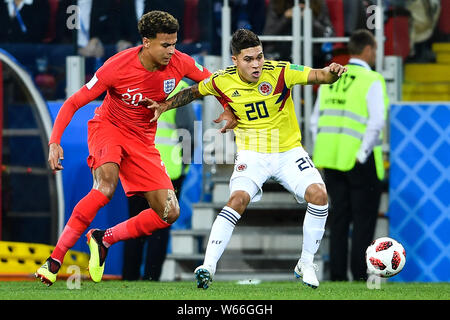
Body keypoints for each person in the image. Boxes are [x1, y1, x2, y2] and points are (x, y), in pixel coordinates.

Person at [35, 10, 236, 286]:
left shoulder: (180, 62)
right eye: (165, 45)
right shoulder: (116, 66)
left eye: (174, 43)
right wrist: (54, 142)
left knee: (169, 213)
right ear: (146, 42)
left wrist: (228, 109)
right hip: (109, 129)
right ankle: (55, 260)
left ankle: (103, 238)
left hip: (142, 141)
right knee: (105, 187)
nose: (171, 51)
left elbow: (214, 83)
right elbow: (72, 103)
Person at [142, 28, 347, 289]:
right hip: (253, 153)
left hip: (288, 151)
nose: (257, 64)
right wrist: (164, 105)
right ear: (235, 60)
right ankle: (208, 266)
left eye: (259, 57)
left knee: (319, 195)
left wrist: (332, 72)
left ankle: (306, 263)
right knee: (237, 199)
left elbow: (318, 75)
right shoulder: (222, 80)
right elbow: (193, 92)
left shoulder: (281, 71)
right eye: (249, 59)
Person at [310, 29, 389, 281]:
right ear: (367, 49)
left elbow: (314, 122)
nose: (375, 54)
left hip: (329, 158)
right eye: (374, 49)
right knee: (363, 221)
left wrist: (322, 150)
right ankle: (359, 274)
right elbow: (376, 122)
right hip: (357, 160)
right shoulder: (371, 79)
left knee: (339, 219)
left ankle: (337, 276)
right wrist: (362, 153)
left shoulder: (331, 77)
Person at [122, 80, 195, 281]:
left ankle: (128, 278)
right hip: (168, 170)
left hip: (136, 167)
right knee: (160, 228)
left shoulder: (134, 83)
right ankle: (152, 279)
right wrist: (185, 167)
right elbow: (188, 133)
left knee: (134, 225)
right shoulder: (181, 89)